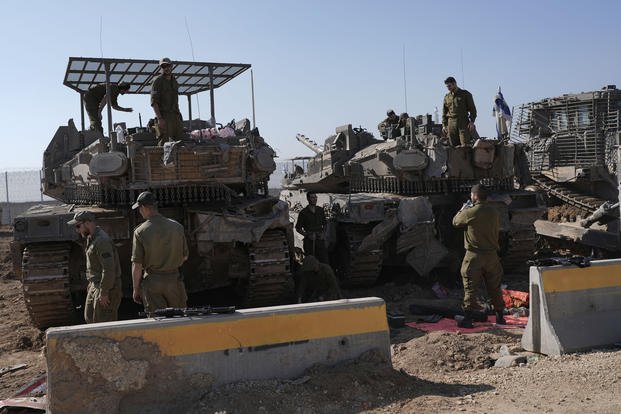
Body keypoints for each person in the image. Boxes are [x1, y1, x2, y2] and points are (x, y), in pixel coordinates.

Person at [452, 184, 506, 328]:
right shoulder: (494, 211)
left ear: (475, 196)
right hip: (492, 256)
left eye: (472, 194)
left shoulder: (471, 212)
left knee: (470, 287)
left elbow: (456, 222)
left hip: (474, 256)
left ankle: (468, 320)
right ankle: (500, 318)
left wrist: (463, 209)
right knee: (494, 287)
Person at [131, 191, 189, 313]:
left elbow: (137, 265)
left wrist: (136, 289)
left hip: (153, 283)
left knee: (158, 322)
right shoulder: (177, 227)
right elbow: (185, 257)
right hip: (174, 280)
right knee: (180, 320)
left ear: (144, 208)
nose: (139, 212)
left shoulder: (140, 232)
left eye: (139, 209)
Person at [67, 211, 122, 323]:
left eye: (78, 226)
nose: (77, 230)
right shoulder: (91, 238)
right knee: (90, 319)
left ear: (87, 223)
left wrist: (104, 291)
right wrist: (91, 284)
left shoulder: (101, 241)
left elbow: (108, 269)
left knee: (104, 324)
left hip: (106, 287)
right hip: (95, 285)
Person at [151, 57, 184, 146]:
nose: (166, 68)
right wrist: (160, 119)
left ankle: (177, 160)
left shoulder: (174, 81)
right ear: (161, 68)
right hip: (164, 116)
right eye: (164, 66)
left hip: (176, 116)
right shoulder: (157, 81)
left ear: (171, 66)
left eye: (168, 65)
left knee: (180, 142)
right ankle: (161, 160)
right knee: (164, 143)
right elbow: (154, 102)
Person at [442, 76, 477, 147]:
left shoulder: (465, 94)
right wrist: (444, 125)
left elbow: (473, 109)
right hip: (451, 123)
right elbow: (444, 112)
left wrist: (472, 122)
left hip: (463, 122)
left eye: (449, 86)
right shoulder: (447, 97)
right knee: (452, 145)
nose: (448, 88)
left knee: (465, 145)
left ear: (455, 83)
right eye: (447, 87)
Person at [295, 192, 329, 263]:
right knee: (310, 261)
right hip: (309, 241)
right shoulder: (303, 213)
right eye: (312, 197)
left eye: (315, 197)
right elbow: (298, 228)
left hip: (320, 239)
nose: (314, 199)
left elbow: (325, 224)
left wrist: (323, 234)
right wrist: (307, 235)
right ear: (308, 199)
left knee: (324, 260)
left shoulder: (320, 210)